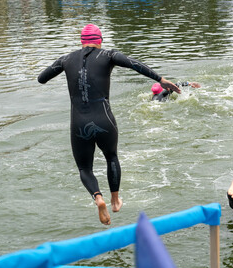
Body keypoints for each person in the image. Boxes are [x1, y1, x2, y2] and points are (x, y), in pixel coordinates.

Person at [37, 24, 181, 225]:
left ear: (81, 41)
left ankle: (98, 198)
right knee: (111, 156)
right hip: (104, 119)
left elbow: (41, 78)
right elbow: (133, 63)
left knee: (84, 169)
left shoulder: (66, 59)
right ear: (100, 40)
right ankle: (115, 199)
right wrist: (161, 79)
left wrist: (63, 66)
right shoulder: (108, 55)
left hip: (79, 123)